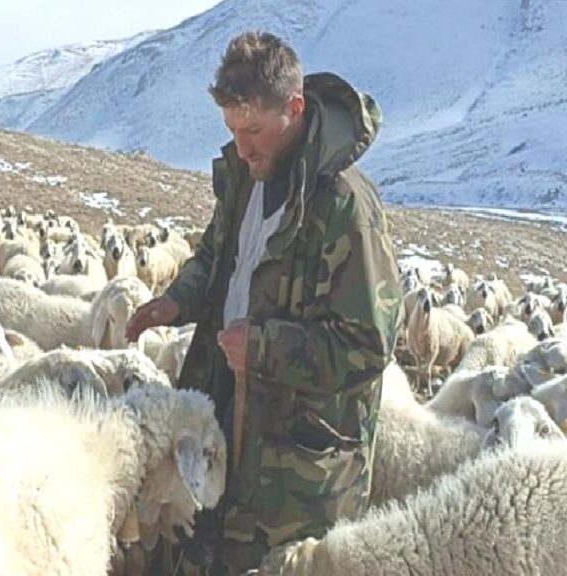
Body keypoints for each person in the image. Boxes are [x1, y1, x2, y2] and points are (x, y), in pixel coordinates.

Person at [125, 31, 403, 574]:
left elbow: (368, 345)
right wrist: (176, 302)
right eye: (232, 129)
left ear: (294, 109)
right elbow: (216, 257)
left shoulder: (345, 207)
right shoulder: (248, 177)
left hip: (297, 472)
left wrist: (265, 348)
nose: (242, 146)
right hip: (230, 416)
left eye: (252, 130)